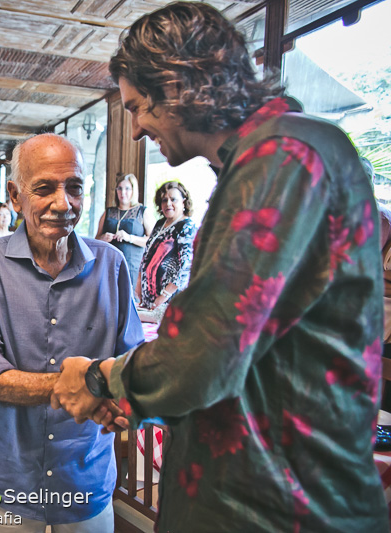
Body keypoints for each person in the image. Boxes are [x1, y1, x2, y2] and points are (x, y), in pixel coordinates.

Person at [51, 3, 388, 532]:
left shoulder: (285, 155)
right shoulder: (261, 160)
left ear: (178, 86)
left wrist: (100, 377)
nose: (136, 130)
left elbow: (206, 350)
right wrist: (138, 392)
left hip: (279, 507)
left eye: (139, 107)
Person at [0, 133, 144, 531]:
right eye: (44, 189)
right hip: (5, 477)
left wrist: (122, 400)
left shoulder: (111, 266)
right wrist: (86, 385)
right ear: (14, 196)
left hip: (85, 477)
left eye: (74, 187)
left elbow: (132, 363)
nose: (63, 203)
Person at [136, 180, 196, 324]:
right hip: (149, 302)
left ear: (183, 202)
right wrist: (139, 286)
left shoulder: (186, 227)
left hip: (170, 302)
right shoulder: (159, 224)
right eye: (164, 200)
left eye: (173, 199)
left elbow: (185, 268)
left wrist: (164, 296)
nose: (168, 204)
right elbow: (146, 256)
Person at [95, 172, 153, 285]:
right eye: (120, 189)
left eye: (127, 189)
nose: (123, 193)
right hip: (108, 265)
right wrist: (103, 238)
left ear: (133, 191)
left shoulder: (142, 212)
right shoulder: (108, 212)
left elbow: (153, 241)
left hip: (132, 267)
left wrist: (129, 237)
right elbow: (95, 240)